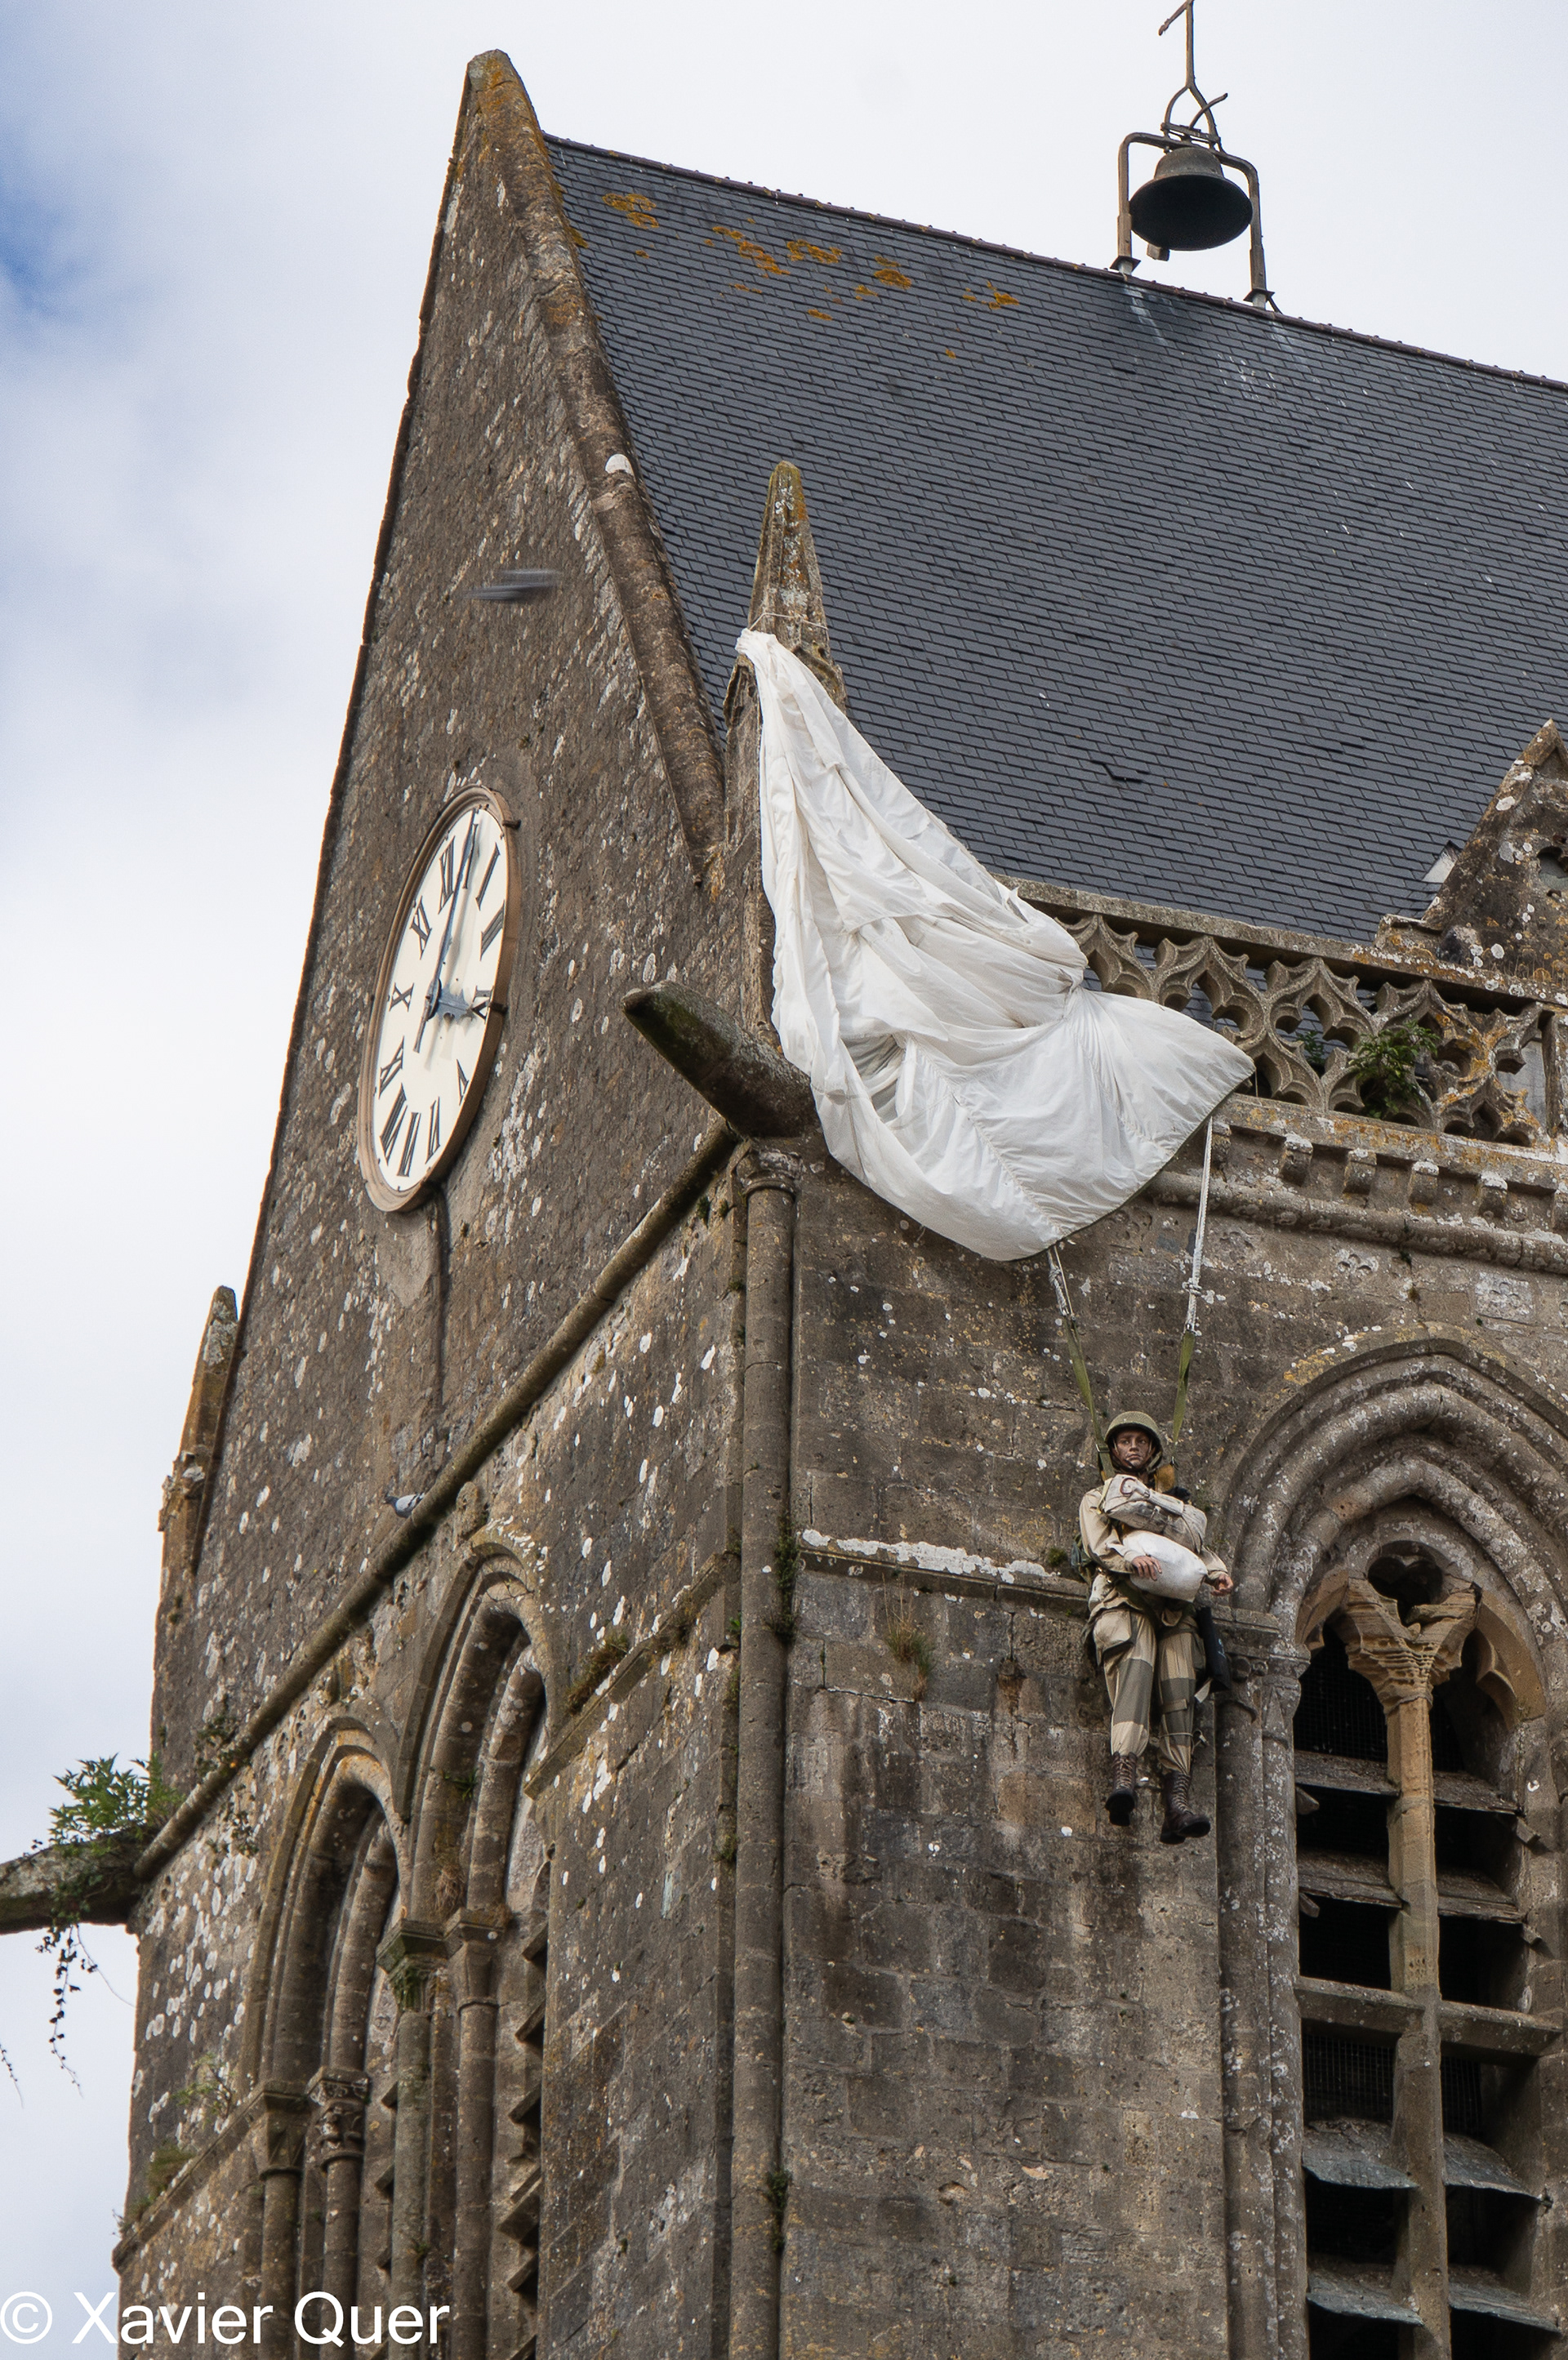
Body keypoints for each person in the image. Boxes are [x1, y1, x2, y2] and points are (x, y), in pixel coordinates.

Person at [1079, 1409, 1233, 1843]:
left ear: (1152, 1451)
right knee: (1135, 1673)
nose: (1133, 1447)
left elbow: (1193, 1547)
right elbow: (1097, 1544)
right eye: (1125, 1441)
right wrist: (1130, 1559)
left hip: (1175, 1610)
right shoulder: (1100, 1497)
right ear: (1113, 1450)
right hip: (1126, 1600)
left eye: (1141, 1442)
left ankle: (1177, 1804)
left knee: (1180, 1695)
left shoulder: (1172, 1506)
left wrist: (1215, 1572)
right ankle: (1123, 1778)